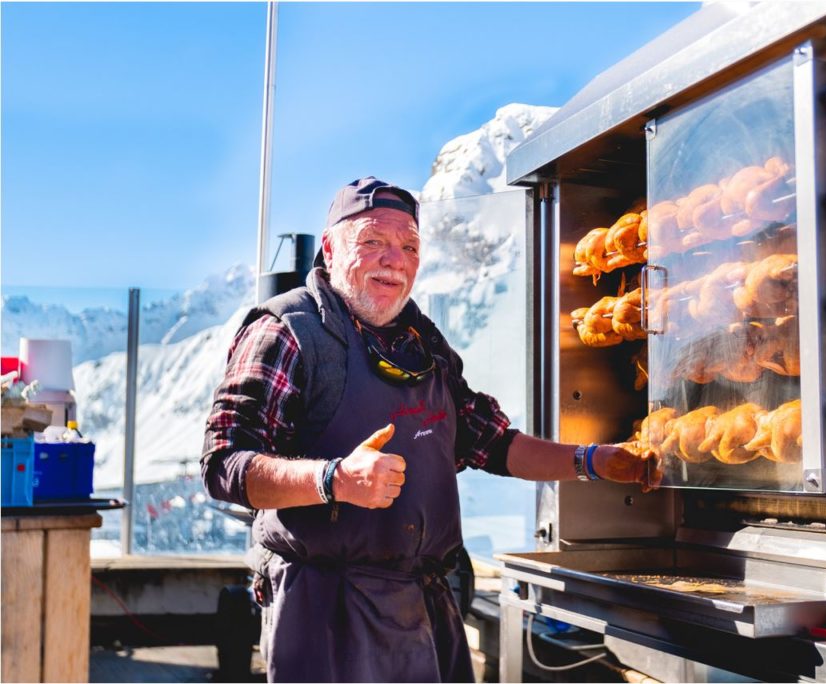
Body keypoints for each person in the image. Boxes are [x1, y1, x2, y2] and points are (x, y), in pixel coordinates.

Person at [202, 176, 658, 683]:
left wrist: (591, 461)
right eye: (372, 241)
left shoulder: (422, 341)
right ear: (330, 248)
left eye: (409, 246)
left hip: (426, 605)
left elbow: (491, 442)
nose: (393, 259)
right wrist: (334, 480)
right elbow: (224, 464)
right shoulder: (286, 331)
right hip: (327, 610)